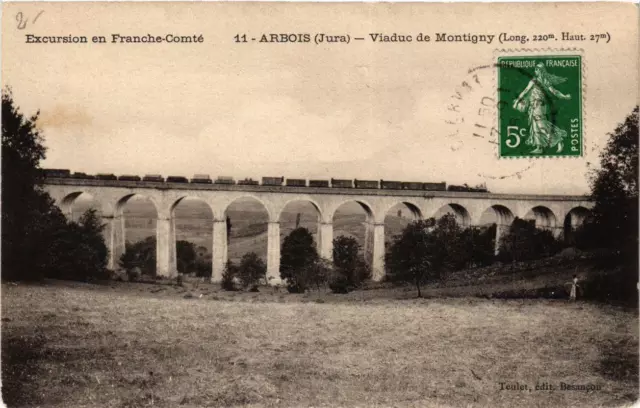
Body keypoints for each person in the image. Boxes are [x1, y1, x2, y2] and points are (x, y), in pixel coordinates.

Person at [512, 62, 572, 154]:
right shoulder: (537, 81)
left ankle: (558, 140)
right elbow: (526, 91)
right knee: (535, 126)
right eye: (535, 69)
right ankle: (539, 147)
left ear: (541, 71)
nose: (535, 71)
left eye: (537, 69)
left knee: (541, 125)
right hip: (533, 106)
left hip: (539, 105)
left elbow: (554, 91)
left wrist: (564, 96)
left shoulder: (540, 81)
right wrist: (517, 101)